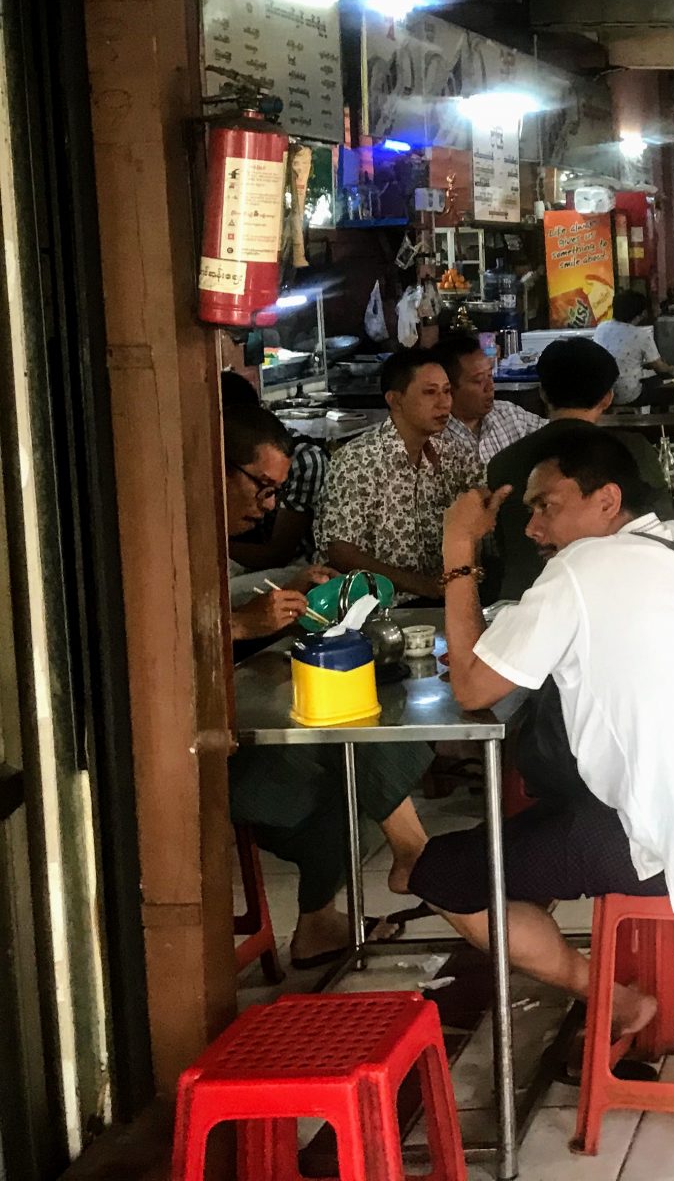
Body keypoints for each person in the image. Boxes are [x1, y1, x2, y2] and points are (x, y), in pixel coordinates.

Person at [410, 426, 674, 1038]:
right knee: (554, 813)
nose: (533, 529)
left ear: (607, 501)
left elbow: (472, 687)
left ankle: (614, 1000)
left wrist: (458, 550)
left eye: (546, 506)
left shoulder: (579, 569)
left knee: (442, 871)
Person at [222, 403, 433, 968]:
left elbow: (222, 597)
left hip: (240, 731)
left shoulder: (203, 543)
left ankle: (320, 922)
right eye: (263, 489)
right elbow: (155, 652)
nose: (268, 507)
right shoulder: (160, 548)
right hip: (201, 764)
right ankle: (414, 852)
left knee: (373, 730)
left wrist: (282, 592)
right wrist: (242, 625)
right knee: (343, 738)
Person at [481, 337, 671, 603]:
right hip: (608, 598)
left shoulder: (502, 462)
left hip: (519, 599)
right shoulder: (632, 451)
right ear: (607, 398)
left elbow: (501, 544)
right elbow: (660, 525)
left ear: (543, 394)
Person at [316, 346, 483, 599]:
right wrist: (422, 586)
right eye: (430, 392)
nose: (444, 402)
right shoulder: (358, 460)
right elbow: (341, 551)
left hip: (447, 598)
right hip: (377, 608)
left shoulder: (455, 453)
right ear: (395, 400)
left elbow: (478, 514)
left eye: (447, 391)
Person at [221, 372, 329, 572]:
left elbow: (276, 554)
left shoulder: (302, 458)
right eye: (265, 486)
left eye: (276, 490)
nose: (271, 504)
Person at [438, 330, 546, 464]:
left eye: (490, 376)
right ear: (449, 388)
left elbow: (555, 433)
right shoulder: (435, 435)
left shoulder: (509, 415)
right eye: (478, 381)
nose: (490, 387)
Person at [592, 290, 674, 408]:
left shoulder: (601, 328)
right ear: (642, 313)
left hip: (602, 394)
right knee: (666, 386)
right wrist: (673, 369)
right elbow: (659, 367)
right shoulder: (642, 335)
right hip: (628, 396)